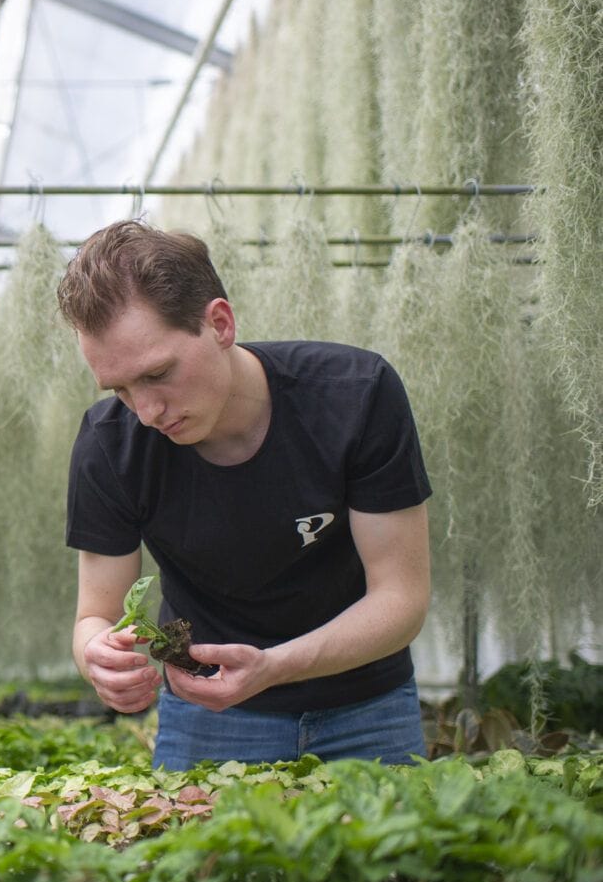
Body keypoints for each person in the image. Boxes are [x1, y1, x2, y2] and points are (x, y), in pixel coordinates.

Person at [58, 219, 431, 770]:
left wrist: (275, 666)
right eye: (119, 388)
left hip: (366, 707)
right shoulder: (109, 446)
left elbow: (401, 600)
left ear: (220, 323)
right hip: (208, 718)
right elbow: (95, 614)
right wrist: (97, 657)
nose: (146, 412)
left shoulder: (357, 397)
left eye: (158, 373)